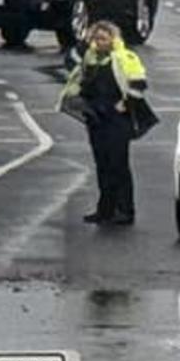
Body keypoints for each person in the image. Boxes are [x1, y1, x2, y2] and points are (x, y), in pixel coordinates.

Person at [71, 20, 148, 226]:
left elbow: (139, 83)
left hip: (117, 121)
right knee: (102, 165)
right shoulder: (90, 58)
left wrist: (125, 103)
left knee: (118, 165)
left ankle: (125, 210)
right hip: (96, 119)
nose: (99, 42)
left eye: (103, 38)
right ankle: (105, 209)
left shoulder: (125, 57)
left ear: (113, 39)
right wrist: (84, 43)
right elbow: (71, 61)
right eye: (96, 38)